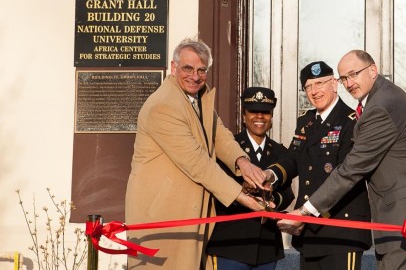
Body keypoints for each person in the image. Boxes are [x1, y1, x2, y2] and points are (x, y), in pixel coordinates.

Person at [281, 50, 406, 270]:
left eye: (354, 74)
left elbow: (352, 169)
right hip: (398, 214)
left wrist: (305, 211)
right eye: (344, 78)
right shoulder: (380, 98)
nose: (349, 83)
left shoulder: (380, 106)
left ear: (373, 70)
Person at [125, 37, 267, 270]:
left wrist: (243, 162)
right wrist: (243, 197)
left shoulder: (197, 97)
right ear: (173, 68)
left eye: (202, 70)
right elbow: (197, 162)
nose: (195, 76)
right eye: (188, 68)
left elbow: (218, 134)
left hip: (189, 214)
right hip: (163, 217)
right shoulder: (164, 105)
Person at [269, 61, 372, 270]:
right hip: (310, 234)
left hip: (341, 232)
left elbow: (345, 177)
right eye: (308, 86)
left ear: (334, 84)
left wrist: (304, 213)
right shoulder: (306, 122)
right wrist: (270, 175)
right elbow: (292, 159)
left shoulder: (352, 121)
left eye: (320, 83)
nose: (314, 91)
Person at [206, 86, 295, 270]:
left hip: (266, 247)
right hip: (231, 245)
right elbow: (213, 188)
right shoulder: (228, 148)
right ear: (243, 115)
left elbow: (288, 194)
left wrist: (271, 202)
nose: (259, 117)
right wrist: (243, 191)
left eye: (265, 112)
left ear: (271, 116)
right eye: (253, 111)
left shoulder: (280, 151)